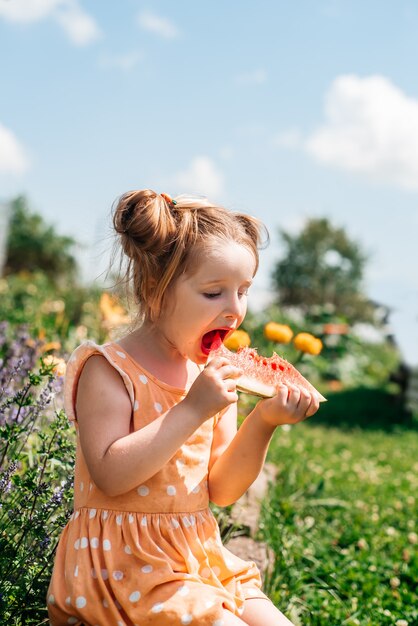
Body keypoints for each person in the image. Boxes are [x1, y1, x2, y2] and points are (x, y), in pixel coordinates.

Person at [47, 189, 320, 626]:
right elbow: (111, 475)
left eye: (243, 291)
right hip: (122, 569)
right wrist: (192, 410)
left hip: (198, 559)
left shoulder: (210, 375)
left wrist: (265, 421)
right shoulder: (109, 369)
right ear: (155, 290)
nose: (234, 311)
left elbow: (223, 489)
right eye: (214, 293)